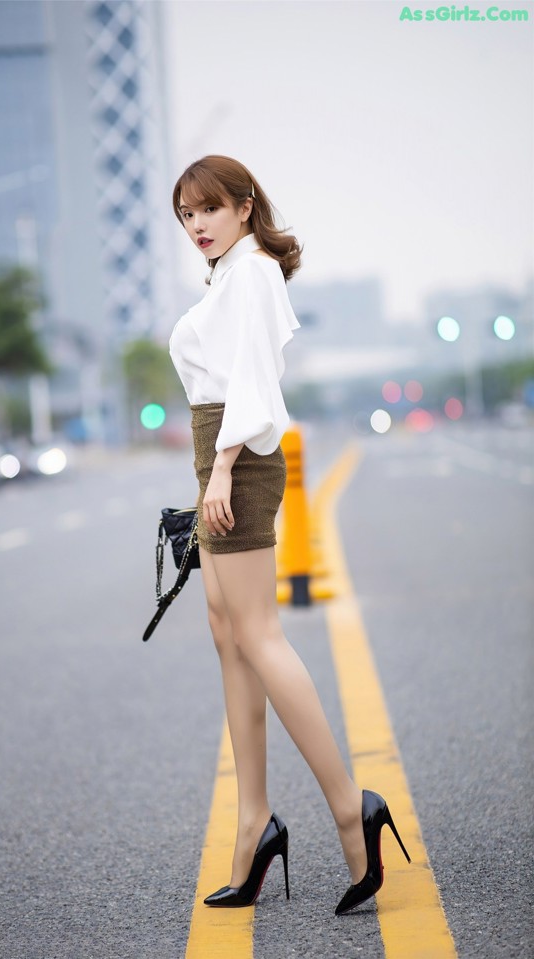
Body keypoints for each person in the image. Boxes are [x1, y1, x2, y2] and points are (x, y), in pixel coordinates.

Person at [168, 155, 410, 914]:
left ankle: (350, 810)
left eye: (207, 209)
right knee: (228, 634)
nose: (196, 225)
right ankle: (254, 820)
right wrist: (209, 466)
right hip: (218, 455)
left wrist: (219, 471)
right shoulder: (231, 275)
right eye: (185, 215)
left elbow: (252, 382)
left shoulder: (254, 273)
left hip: (236, 461)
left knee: (259, 633)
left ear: (244, 207)